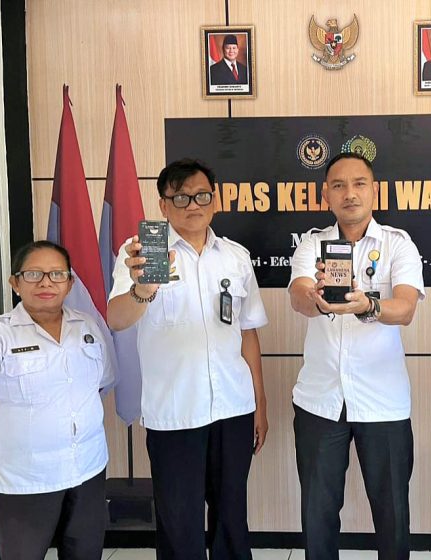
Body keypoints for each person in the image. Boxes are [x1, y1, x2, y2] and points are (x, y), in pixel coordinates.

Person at [107, 159, 268, 560]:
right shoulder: (141, 253)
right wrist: (144, 288)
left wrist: (259, 404)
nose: (192, 205)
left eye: (201, 195)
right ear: (163, 205)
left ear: (216, 200)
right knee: (180, 524)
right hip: (175, 413)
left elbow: (248, 332)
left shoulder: (235, 257)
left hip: (233, 407)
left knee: (232, 518)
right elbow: (117, 318)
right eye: (180, 197)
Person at [288, 152, 425, 559]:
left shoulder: (398, 244)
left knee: (393, 514)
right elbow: (298, 296)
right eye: (339, 185)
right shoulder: (312, 243)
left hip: (383, 401)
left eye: (359, 183)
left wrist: (369, 306)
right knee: (318, 514)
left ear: (374, 190)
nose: (350, 193)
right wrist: (315, 298)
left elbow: (406, 308)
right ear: (325, 195)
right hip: (320, 400)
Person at [0, 241, 114, 560]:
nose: (46, 282)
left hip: (88, 468)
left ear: (69, 282)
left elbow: (101, 381)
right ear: (15, 283)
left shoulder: (87, 325)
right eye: (33, 274)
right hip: (28, 478)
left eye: (56, 274)